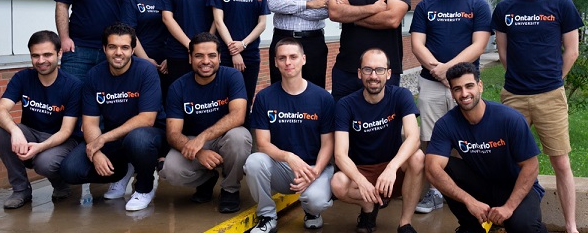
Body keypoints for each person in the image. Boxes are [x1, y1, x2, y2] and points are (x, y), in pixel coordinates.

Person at [491, 0, 583, 233]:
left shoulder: (561, 4)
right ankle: (504, 217)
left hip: (550, 96)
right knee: (507, 161)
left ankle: (570, 226)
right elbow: (503, 53)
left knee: (560, 161)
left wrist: (554, 79)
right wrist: (520, 79)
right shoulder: (505, 8)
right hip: (514, 96)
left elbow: (572, 51)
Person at [409, 0, 491, 214]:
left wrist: (450, 72)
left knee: (465, 138)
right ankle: (434, 193)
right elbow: (417, 45)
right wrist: (438, 71)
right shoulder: (426, 6)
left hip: (464, 85)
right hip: (431, 84)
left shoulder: (477, 5)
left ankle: (462, 191)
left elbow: (479, 45)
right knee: (432, 139)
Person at [425, 62, 548, 233]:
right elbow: (432, 169)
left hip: (516, 186)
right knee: (446, 168)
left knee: (522, 226)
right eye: (457, 89)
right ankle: (472, 226)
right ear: (452, 93)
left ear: (480, 86)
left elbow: (531, 166)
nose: (464, 93)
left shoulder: (510, 119)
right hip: (481, 185)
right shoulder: (446, 124)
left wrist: (508, 208)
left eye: (469, 86)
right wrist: (469, 201)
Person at [60, 23, 167, 212]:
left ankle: (144, 187)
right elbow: (90, 122)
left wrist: (102, 139)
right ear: (104, 49)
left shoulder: (146, 71)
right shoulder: (94, 75)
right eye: (112, 47)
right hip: (115, 138)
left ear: (133, 50)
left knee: (138, 139)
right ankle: (122, 171)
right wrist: (97, 153)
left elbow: (147, 119)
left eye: (125, 47)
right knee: (71, 170)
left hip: (151, 135)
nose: (119, 52)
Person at [245, 38, 335, 232]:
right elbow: (262, 143)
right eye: (282, 58)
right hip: (283, 167)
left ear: (303, 59)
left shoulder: (323, 98)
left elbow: (328, 144)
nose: (288, 62)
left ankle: (312, 212)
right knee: (254, 161)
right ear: (275, 62)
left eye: (293, 57)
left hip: (314, 167)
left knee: (315, 200)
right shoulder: (264, 97)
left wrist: (315, 172)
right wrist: (288, 157)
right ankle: (267, 217)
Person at [331, 48, 423, 233]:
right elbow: (340, 154)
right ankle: (368, 208)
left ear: (389, 73)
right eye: (368, 70)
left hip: (392, 168)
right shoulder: (345, 105)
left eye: (379, 70)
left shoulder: (400, 95)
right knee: (337, 183)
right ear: (359, 73)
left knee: (418, 157)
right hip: (361, 170)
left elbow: (414, 138)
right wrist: (361, 180)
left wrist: (392, 168)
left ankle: (405, 223)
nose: (374, 76)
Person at [159, 32, 252, 214]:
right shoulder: (178, 87)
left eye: (211, 55)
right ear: (190, 58)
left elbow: (238, 116)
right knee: (170, 170)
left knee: (239, 137)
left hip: (225, 138)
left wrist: (202, 138)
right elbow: (173, 133)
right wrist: (199, 151)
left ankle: (230, 189)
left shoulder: (232, 76)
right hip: (194, 142)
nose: (205, 61)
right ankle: (206, 179)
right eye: (199, 56)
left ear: (219, 57)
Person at [0, 31, 82, 209]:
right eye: (35, 55)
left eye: (47, 54)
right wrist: (16, 131)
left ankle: (60, 184)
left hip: (63, 139)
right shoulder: (23, 77)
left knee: (44, 163)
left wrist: (39, 148)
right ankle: (21, 189)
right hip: (32, 132)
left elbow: (66, 131)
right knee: (1, 132)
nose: (41, 61)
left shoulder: (73, 85)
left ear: (59, 54)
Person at [208, 0, 269, 125]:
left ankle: (244, 144)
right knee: (222, 100)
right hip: (224, 54)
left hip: (250, 54)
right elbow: (218, 21)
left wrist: (243, 45)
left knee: (245, 99)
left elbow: (262, 24)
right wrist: (233, 49)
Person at [120, 0, 169, 99]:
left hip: (168, 59)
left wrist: (170, 58)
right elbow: (129, 32)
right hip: (141, 57)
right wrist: (146, 60)